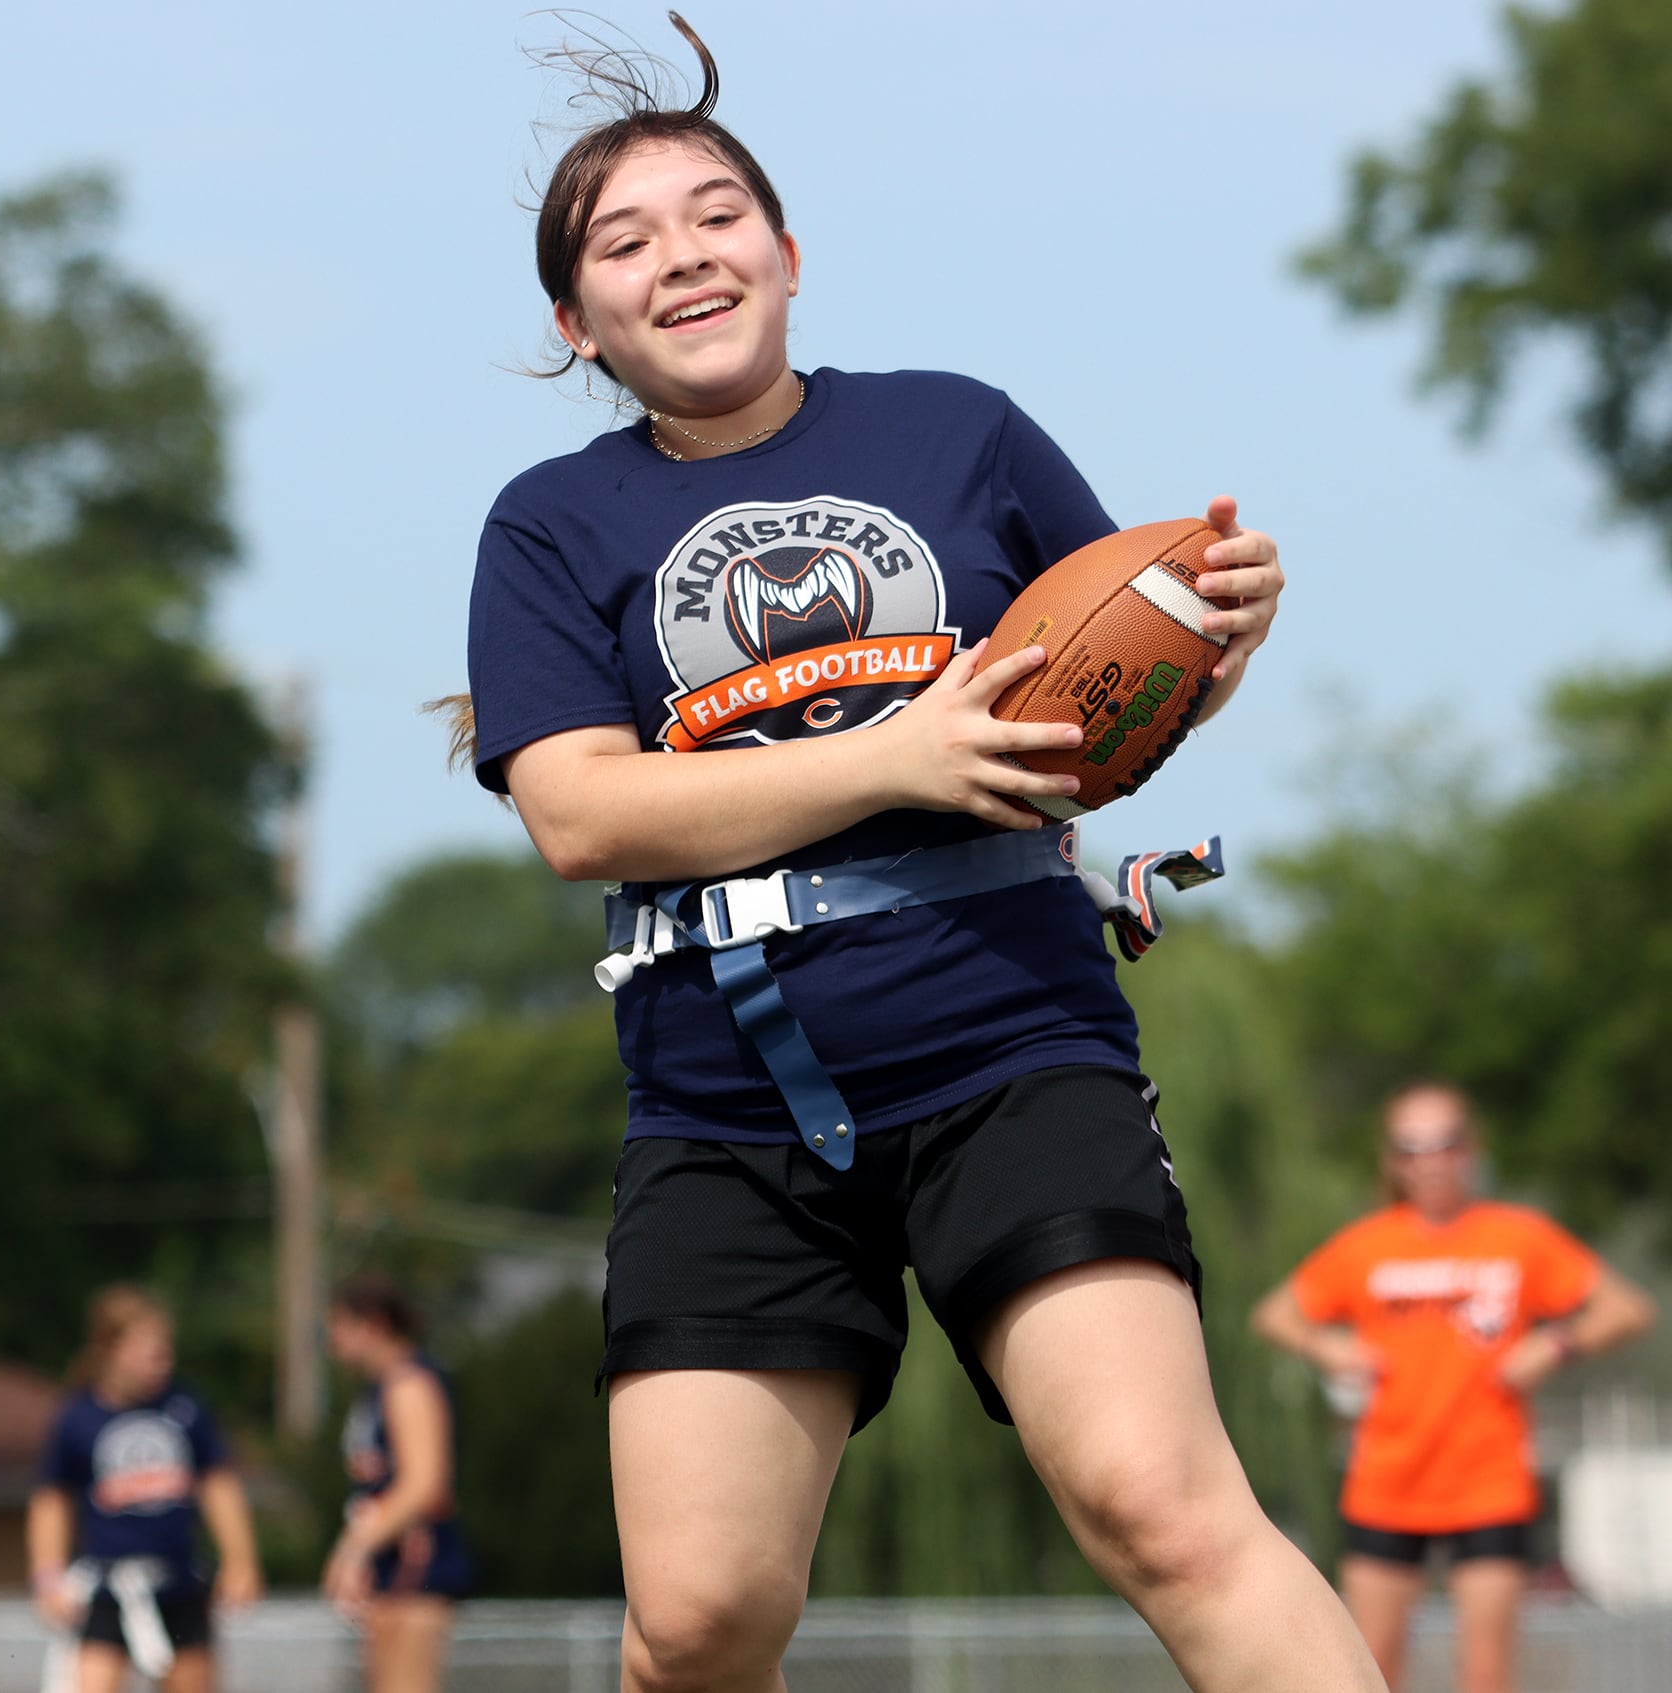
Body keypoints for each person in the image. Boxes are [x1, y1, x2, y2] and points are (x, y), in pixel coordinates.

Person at [450, 15, 1386, 1692]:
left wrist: (1215, 636)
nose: (683, 254)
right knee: (702, 1615)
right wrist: (899, 753)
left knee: (1162, 1506)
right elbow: (582, 813)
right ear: (577, 324)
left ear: (790, 254)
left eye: (717, 212)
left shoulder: (958, 429)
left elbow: (1106, 692)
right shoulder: (549, 522)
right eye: (626, 240)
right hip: (724, 1100)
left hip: (1014, 1044)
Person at [1252, 1082, 1654, 1693]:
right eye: (1411, 1147)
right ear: (1392, 1160)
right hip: (1387, 1484)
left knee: (1487, 1679)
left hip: (1487, 1484)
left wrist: (1553, 1344)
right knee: (1369, 1673)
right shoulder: (1367, 1246)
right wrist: (1327, 1347)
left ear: (1470, 1149)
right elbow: (1275, 1314)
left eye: (1445, 1143)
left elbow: (1627, 1309)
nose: (1430, 1160)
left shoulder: (1518, 1237)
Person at [27, 1286, 260, 1693]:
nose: (162, 1361)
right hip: (109, 1587)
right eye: (150, 1352)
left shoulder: (186, 1408)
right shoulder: (79, 1417)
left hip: (179, 1581)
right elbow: (52, 1500)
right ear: (110, 1349)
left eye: (166, 1351)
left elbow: (218, 1484)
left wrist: (240, 1559)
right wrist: (48, 1576)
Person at [321, 1274, 470, 1693]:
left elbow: (424, 1483)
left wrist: (353, 1549)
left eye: (339, 1325)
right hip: (390, 1565)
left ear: (373, 1323)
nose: (332, 1339)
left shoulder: (409, 1382)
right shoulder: (378, 1388)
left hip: (419, 1561)